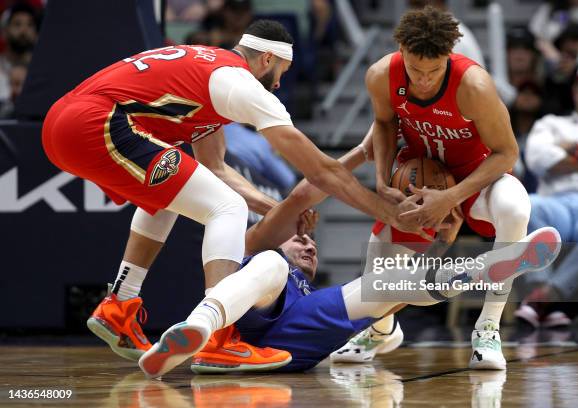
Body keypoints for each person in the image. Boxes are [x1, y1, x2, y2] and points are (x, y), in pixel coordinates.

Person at [42, 19, 422, 378]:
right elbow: (322, 172)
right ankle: (219, 337)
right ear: (268, 59)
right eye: (281, 74)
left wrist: (275, 210)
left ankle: (120, 305)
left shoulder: (207, 73)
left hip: (64, 122)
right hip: (99, 122)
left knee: (169, 197)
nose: (277, 85)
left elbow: (217, 168)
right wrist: (388, 211)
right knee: (227, 207)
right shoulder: (240, 84)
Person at [185, 137, 561, 373]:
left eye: (314, 247)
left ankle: (488, 268)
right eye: (301, 241)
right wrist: (362, 153)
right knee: (270, 265)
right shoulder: (260, 247)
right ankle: (202, 326)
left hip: (292, 344)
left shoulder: (306, 295)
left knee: (381, 286)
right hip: (245, 320)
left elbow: (399, 294)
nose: (310, 245)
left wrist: (441, 243)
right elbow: (304, 194)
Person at [338, 6, 533, 370]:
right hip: (420, 181)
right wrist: (382, 180)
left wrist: (451, 197)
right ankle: (381, 332)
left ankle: (488, 329)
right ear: (401, 51)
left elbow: (507, 153)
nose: (424, 80)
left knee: (516, 209)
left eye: (434, 70)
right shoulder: (381, 75)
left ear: (450, 56)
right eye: (415, 70)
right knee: (377, 276)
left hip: (476, 178)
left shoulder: (474, 86)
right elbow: (383, 124)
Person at [517, 57, 578, 328]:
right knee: (529, 206)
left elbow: (555, 159)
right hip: (556, 203)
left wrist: (570, 146)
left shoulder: (561, 133)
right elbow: (538, 159)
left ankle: (544, 299)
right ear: (575, 92)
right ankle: (546, 293)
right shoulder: (551, 122)